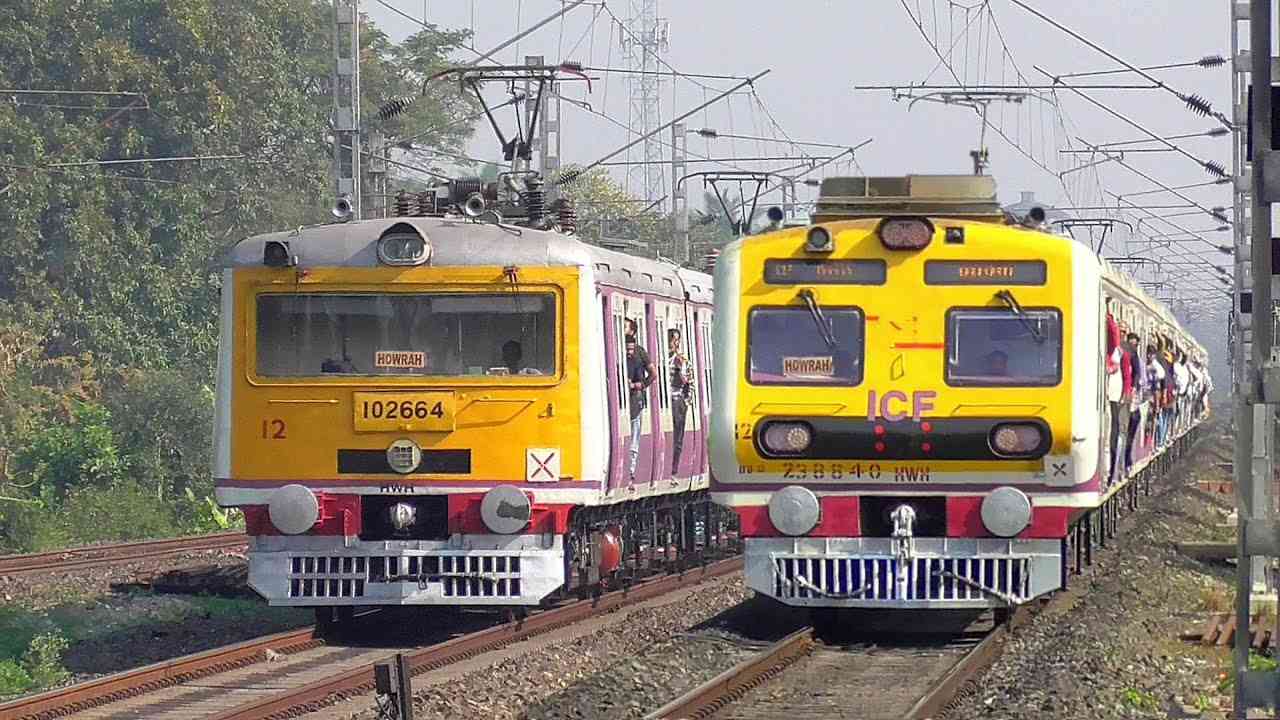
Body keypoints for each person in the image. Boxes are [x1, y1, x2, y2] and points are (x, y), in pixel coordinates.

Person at [625, 337, 654, 481]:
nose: (629, 352)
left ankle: (632, 468)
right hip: (625, 403)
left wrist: (638, 385)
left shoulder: (638, 358)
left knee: (634, 435)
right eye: (627, 349)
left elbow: (652, 375)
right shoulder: (621, 360)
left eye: (631, 349)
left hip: (635, 401)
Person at [667, 327, 694, 474]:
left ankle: (674, 469)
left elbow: (690, 382)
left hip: (679, 401)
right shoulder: (663, 359)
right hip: (668, 399)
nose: (674, 342)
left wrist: (686, 402)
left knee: (678, 438)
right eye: (671, 339)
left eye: (676, 339)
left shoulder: (683, 360)